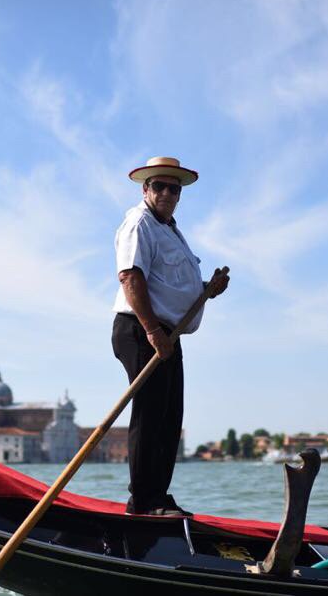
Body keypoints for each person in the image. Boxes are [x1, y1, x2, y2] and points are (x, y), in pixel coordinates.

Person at [112, 156, 229, 516]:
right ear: (145, 189)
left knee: (169, 418)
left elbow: (171, 284)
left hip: (166, 332)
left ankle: (157, 497)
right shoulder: (139, 223)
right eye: (158, 186)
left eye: (173, 188)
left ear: (179, 195)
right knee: (150, 414)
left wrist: (207, 290)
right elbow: (131, 277)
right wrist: (150, 330)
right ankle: (144, 501)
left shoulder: (170, 230)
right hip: (140, 329)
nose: (166, 193)